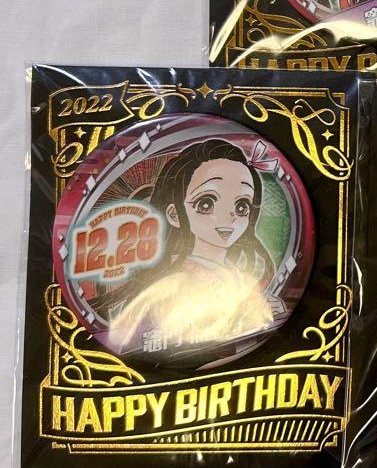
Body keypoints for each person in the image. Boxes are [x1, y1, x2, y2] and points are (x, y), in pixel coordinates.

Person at [98, 139, 281, 363]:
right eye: (207, 203)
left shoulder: (237, 274)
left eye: (242, 205)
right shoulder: (170, 286)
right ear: (174, 214)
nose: (230, 216)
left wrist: (266, 314)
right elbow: (147, 348)